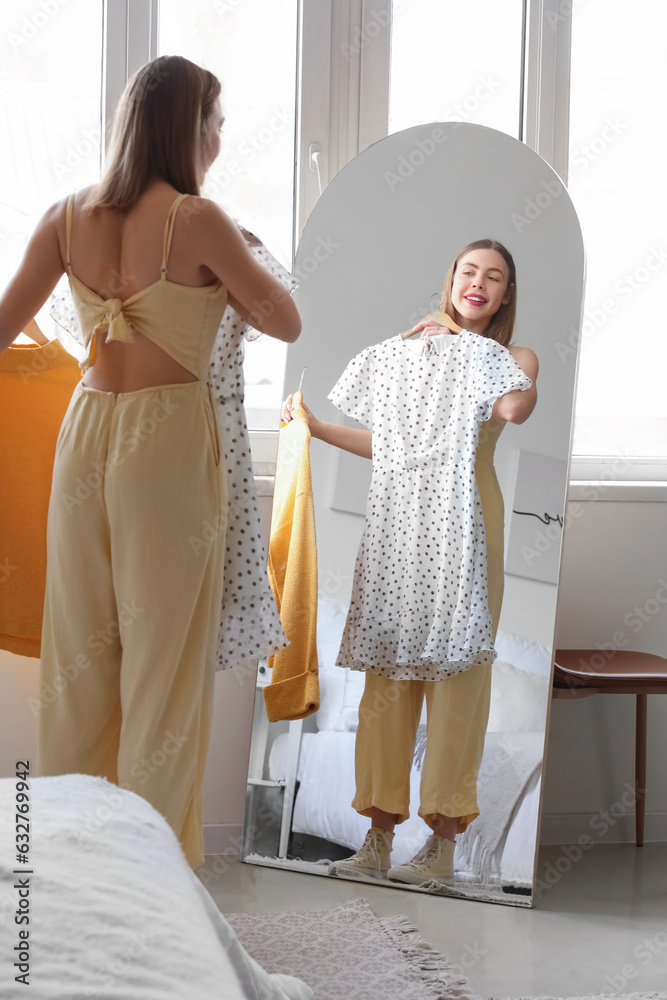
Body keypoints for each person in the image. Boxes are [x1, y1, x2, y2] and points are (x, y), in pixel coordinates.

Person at [0, 55, 301, 869]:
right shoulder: (199, 220)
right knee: (162, 666)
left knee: (78, 658)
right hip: (164, 444)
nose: (220, 137)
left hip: (86, 431)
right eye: (217, 121)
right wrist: (233, 254)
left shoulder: (66, 216)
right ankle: (153, 882)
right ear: (188, 127)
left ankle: (66, 868)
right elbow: (286, 321)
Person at [282, 239, 537, 884]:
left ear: (506, 294)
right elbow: (387, 442)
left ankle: (443, 849)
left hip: (469, 522)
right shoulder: (407, 353)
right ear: (449, 279)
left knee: (458, 680)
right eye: (469, 272)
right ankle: (377, 838)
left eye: (494, 278)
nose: (479, 283)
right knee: (387, 679)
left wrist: (458, 340)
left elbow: (514, 407)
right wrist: (313, 427)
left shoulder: (511, 357)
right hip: (401, 523)